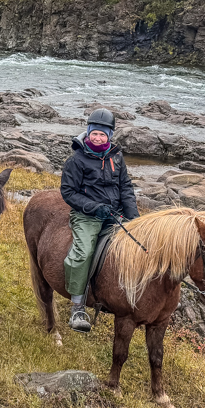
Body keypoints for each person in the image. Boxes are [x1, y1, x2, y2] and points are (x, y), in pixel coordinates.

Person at [60, 108, 139, 333]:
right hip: (87, 215)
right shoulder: (76, 160)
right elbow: (68, 192)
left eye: (102, 134)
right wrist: (94, 208)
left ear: (110, 136)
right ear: (88, 133)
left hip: (114, 213)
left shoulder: (116, 156)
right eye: (94, 133)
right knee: (83, 252)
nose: (97, 138)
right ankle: (77, 306)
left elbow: (125, 187)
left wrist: (134, 219)